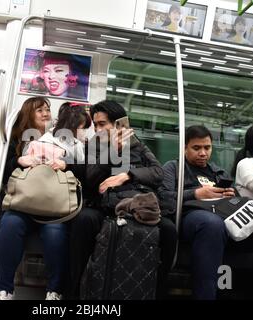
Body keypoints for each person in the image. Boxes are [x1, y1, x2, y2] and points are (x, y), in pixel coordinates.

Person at [159, 125, 253, 300]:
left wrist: (232, 194)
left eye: (207, 147)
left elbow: (237, 200)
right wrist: (195, 193)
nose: (203, 153)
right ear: (185, 148)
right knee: (212, 224)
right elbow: (163, 198)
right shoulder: (173, 167)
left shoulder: (218, 171)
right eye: (196, 148)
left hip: (227, 217)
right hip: (194, 216)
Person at [68, 100, 177, 299]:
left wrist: (128, 175)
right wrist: (114, 150)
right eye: (96, 125)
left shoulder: (136, 143)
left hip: (135, 200)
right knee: (84, 221)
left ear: (119, 123)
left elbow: (158, 172)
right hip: (104, 204)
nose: (98, 129)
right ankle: (74, 292)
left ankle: (157, 291)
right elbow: (91, 177)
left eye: (103, 124)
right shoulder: (94, 145)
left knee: (169, 230)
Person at [0, 97, 86, 300]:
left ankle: (54, 291)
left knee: (56, 232)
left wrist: (66, 164)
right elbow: (2, 171)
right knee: (10, 224)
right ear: (28, 114)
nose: (46, 113)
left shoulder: (65, 137)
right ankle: (4, 290)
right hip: (23, 203)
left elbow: (83, 169)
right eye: (40, 110)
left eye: (47, 110)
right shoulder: (18, 140)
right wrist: (20, 160)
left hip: (54, 207)